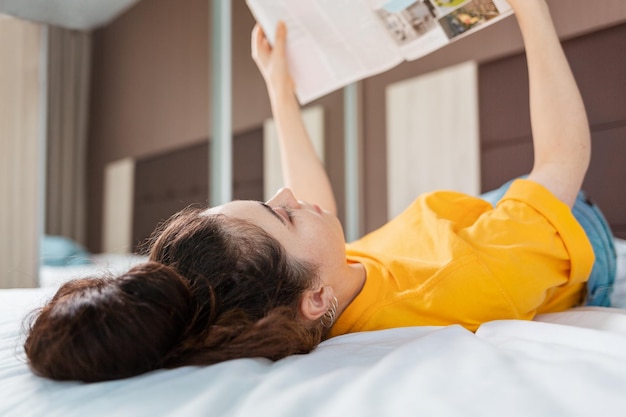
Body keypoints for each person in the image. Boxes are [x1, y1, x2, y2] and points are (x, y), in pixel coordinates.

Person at [24, 0, 616, 382]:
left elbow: (318, 211)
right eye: (282, 215)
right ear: (313, 297)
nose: (287, 192)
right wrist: (531, 10)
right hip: (565, 223)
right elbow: (564, 161)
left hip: (473, 218)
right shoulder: (461, 280)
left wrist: (279, 90)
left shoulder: (292, 308)